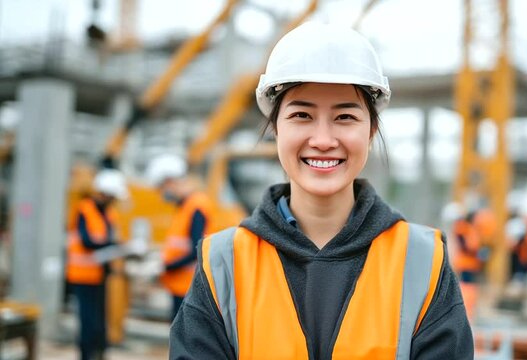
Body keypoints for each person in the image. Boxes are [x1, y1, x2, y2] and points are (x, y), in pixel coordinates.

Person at [170, 22, 473, 359]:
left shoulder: (421, 262)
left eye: (345, 117)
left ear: (371, 131)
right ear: (275, 127)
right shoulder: (223, 264)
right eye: (302, 115)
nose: (324, 140)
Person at [66, 169, 128, 360]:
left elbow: (109, 238)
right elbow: (87, 241)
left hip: (101, 275)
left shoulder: (108, 214)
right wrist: (112, 244)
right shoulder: (84, 209)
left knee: (101, 322)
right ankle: (86, 356)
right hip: (83, 276)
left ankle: (100, 354)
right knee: (88, 322)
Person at [145, 153, 216, 320]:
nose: (162, 194)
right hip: (180, 285)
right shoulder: (185, 207)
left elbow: (195, 250)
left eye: (161, 188)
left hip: (189, 287)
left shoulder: (196, 206)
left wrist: (163, 267)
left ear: (170, 182)